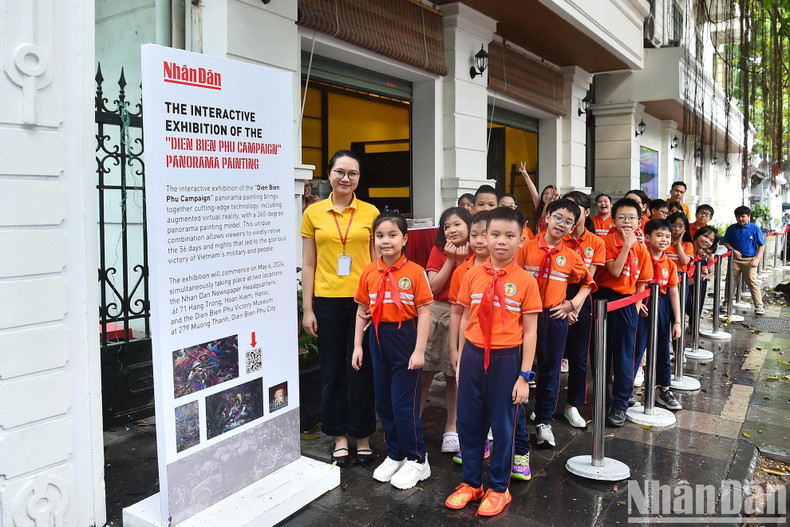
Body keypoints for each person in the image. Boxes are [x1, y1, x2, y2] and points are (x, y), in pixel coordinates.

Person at [445, 207, 541, 517]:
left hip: (506, 359)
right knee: (470, 423)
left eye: (509, 236)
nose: (501, 241)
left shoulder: (525, 281)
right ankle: (471, 483)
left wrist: (524, 375)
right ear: (485, 237)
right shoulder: (471, 274)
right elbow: (463, 318)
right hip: (473, 355)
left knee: (503, 425)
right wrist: (458, 355)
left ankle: (499, 488)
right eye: (495, 234)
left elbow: (530, 330)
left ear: (521, 239)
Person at [300, 149, 378, 467]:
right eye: (340, 172)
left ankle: (362, 436)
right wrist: (308, 309)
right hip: (328, 301)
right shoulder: (313, 213)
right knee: (332, 370)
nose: (346, 178)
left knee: (361, 369)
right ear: (329, 173)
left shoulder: (371, 213)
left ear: (359, 178)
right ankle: (338, 438)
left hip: (363, 302)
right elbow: (308, 264)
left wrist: (377, 301)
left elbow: (377, 261)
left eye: (353, 173)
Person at [352, 212, 433, 489]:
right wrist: (358, 346)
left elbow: (424, 313)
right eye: (379, 236)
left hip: (405, 339)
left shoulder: (415, 272)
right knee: (384, 403)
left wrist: (419, 350)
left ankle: (417, 458)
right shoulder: (368, 272)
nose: (385, 241)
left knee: (403, 405)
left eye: (392, 235)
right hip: (377, 338)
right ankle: (396, 453)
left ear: (405, 239)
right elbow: (363, 311)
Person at [517, 199, 596, 446]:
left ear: (573, 227)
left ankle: (544, 421)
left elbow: (588, 283)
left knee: (551, 370)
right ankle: (515, 420)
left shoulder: (571, 256)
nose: (562, 224)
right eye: (558, 218)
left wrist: (572, 304)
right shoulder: (526, 248)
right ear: (548, 217)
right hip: (523, 317)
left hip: (553, 317)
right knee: (518, 368)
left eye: (569, 222)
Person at [593, 198, 653, 427]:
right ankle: (601, 398)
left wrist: (635, 309)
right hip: (604, 300)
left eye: (632, 218)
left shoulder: (642, 249)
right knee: (601, 353)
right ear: (614, 220)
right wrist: (627, 245)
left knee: (625, 356)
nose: (627, 222)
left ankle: (620, 404)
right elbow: (615, 271)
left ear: (640, 221)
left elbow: (641, 284)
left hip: (628, 303)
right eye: (622, 217)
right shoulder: (605, 241)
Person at [422, 206, 472, 453]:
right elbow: (432, 286)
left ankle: (451, 427)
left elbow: (468, 288)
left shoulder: (477, 251)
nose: (451, 230)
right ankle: (412, 421)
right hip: (438, 312)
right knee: (425, 372)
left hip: (465, 315)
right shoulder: (438, 251)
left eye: (457, 224)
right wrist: (451, 261)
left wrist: (462, 262)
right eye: (446, 226)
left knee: (454, 375)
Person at [561, 191, 605, 427]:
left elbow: (590, 278)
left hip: (581, 297)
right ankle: (543, 408)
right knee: (551, 355)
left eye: (575, 207)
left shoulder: (596, 242)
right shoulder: (556, 238)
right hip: (554, 297)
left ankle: (573, 405)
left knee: (578, 356)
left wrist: (574, 305)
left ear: (587, 212)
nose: (569, 212)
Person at [632, 220, 683, 410]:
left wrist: (677, 321)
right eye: (659, 235)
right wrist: (637, 302)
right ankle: (626, 390)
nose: (664, 240)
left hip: (661, 305)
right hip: (641, 304)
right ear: (647, 237)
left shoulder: (669, 264)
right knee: (636, 346)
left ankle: (664, 389)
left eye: (667, 236)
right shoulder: (638, 256)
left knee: (663, 346)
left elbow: (674, 292)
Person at [722, 206, 765, 315]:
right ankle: (727, 302)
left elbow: (762, 245)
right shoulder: (732, 228)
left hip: (750, 260)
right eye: (738, 217)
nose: (740, 219)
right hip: (735, 259)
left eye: (743, 216)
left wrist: (757, 259)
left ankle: (759, 305)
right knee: (731, 281)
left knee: (752, 282)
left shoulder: (755, 228)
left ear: (748, 216)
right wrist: (733, 250)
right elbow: (726, 242)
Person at [686, 226, 720, 319]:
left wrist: (698, 277)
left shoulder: (697, 255)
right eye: (705, 236)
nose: (707, 241)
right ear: (697, 235)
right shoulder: (687, 250)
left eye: (711, 240)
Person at [518, 161, 558, 233]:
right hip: (537, 238)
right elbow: (533, 190)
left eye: (550, 194)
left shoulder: (557, 209)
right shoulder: (539, 205)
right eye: (545, 193)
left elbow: (544, 217)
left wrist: (553, 201)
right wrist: (525, 174)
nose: (547, 196)